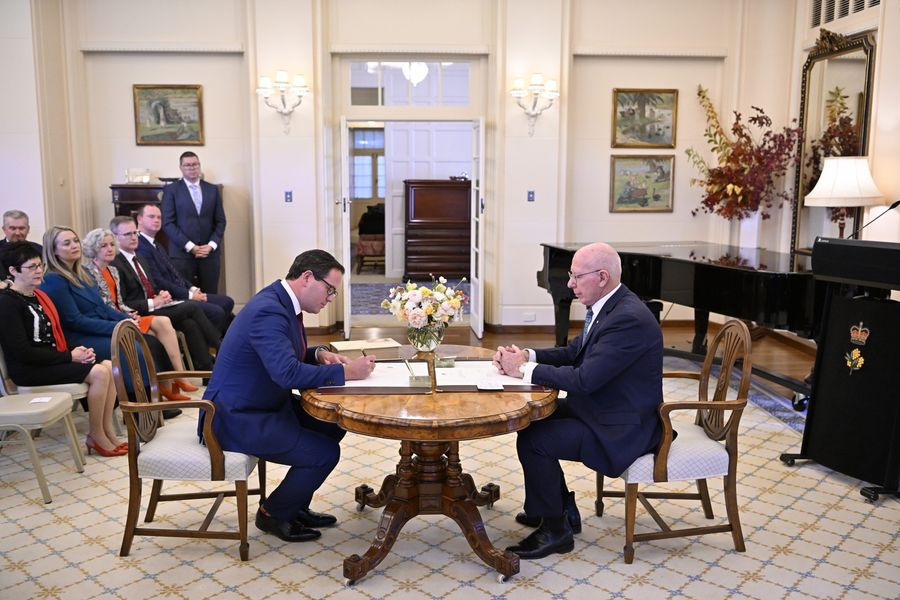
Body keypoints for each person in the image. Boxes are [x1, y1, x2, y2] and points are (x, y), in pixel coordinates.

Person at [493, 242, 663, 560]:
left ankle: (556, 531)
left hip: (622, 427)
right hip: (603, 409)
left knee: (536, 440)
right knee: (531, 422)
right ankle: (560, 509)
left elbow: (585, 379)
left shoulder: (627, 319)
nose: (570, 284)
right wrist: (527, 356)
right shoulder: (609, 307)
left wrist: (525, 370)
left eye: (575, 276)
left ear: (601, 277)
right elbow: (574, 354)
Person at [202, 249, 376, 542]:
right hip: (237, 416)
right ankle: (273, 513)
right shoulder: (269, 311)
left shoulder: (281, 301)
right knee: (324, 453)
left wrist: (319, 354)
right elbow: (286, 373)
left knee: (331, 424)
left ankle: (295, 504)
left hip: (263, 403)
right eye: (330, 289)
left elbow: (286, 355)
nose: (331, 298)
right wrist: (347, 373)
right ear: (308, 277)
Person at [39, 226, 182, 419]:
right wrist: (117, 328)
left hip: (96, 328)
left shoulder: (82, 273)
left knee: (140, 340)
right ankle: (138, 408)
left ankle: (149, 401)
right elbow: (74, 320)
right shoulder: (54, 279)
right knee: (127, 347)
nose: (74, 245)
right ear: (53, 250)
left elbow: (103, 307)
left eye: (75, 241)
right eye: (66, 243)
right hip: (78, 337)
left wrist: (126, 320)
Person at [0, 242, 125, 457]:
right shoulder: (7, 303)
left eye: (40, 265)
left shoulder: (38, 296)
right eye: (32, 267)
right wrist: (69, 356)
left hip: (50, 360)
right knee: (98, 373)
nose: (39, 271)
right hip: (29, 370)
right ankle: (96, 435)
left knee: (108, 366)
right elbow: (22, 352)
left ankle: (106, 431)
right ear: (13, 271)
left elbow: (57, 333)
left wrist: (79, 350)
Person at [81, 227, 199, 402]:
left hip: (122, 315)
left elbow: (119, 302)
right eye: (103, 246)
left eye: (112, 244)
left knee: (164, 321)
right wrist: (126, 317)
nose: (109, 249)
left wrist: (130, 313)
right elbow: (102, 307)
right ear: (93, 249)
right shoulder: (87, 273)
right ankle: (167, 385)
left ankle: (179, 377)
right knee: (153, 338)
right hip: (111, 321)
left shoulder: (113, 271)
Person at [108, 216, 220, 373]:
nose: (134, 237)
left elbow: (152, 286)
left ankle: (207, 369)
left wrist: (162, 294)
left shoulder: (140, 257)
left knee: (190, 324)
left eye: (135, 232)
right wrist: (154, 302)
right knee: (193, 307)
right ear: (115, 237)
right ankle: (222, 350)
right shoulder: (115, 264)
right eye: (128, 234)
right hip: (140, 313)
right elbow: (123, 302)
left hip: (157, 305)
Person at [134, 203, 234, 333]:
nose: (157, 220)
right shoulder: (141, 246)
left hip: (184, 292)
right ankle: (212, 343)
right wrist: (190, 295)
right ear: (139, 219)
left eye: (159, 217)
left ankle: (217, 342)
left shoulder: (156, 243)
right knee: (217, 311)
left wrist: (192, 289)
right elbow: (158, 281)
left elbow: (174, 272)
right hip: (171, 297)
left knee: (227, 302)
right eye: (151, 217)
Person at [161, 152, 226, 293]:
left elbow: (221, 221)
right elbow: (167, 223)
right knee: (186, 296)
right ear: (181, 168)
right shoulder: (171, 190)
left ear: (199, 166)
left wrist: (211, 245)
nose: (192, 168)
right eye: (187, 165)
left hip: (209, 255)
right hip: (182, 255)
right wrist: (191, 246)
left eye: (195, 164)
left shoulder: (212, 190)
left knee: (210, 295)